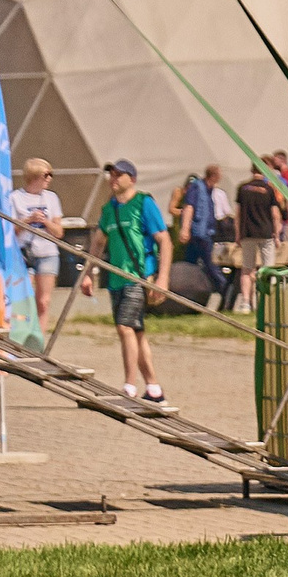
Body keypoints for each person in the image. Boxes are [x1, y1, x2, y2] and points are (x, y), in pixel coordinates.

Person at [83, 159, 173, 404]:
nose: (113, 179)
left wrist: (163, 278)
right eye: (111, 175)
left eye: (119, 175)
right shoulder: (108, 210)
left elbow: (165, 241)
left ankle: (129, 386)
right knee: (136, 332)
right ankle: (154, 388)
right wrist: (88, 273)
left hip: (139, 278)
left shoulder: (143, 203)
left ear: (132, 179)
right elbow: (98, 243)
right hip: (116, 280)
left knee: (125, 328)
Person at [9, 157, 63, 324]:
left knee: (43, 302)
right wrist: (28, 220)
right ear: (34, 176)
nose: (49, 179)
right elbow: (11, 232)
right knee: (22, 300)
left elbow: (59, 232)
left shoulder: (51, 198)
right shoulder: (15, 197)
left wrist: (45, 221)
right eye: (47, 175)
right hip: (24, 252)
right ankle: (21, 335)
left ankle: (38, 345)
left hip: (47, 252)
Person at [230, 164, 283, 312]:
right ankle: (267, 302)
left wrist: (237, 235)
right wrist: (277, 235)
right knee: (268, 268)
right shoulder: (269, 189)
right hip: (266, 233)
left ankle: (246, 302)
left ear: (252, 170)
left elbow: (238, 214)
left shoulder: (243, 188)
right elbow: (275, 214)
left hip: (248, 233)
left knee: (247, 269)